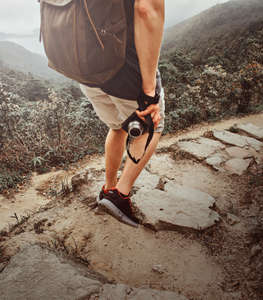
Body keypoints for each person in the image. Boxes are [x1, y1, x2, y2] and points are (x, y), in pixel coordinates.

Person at [79, 0, 165, 227]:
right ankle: (119, 196)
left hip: (85, 67)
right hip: (123, 68)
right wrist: (149, 91)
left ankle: (108, 189)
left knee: (118, 126)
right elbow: (147, 9)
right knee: (152, 126)